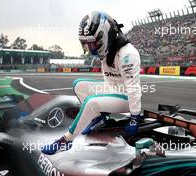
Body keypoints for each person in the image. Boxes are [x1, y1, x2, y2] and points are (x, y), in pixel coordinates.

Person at [42, 11, 142, 155]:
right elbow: (109, 81)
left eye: (92, 43)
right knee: (78, 85)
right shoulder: (108, 49)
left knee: (92, 102)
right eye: (87, 44)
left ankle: (67, 140)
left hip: (126, 97)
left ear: (105, 35)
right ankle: (97, 117)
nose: (90, 48)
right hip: (113, 90)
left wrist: (134, 118)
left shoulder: (127, 54)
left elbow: (133, 89)